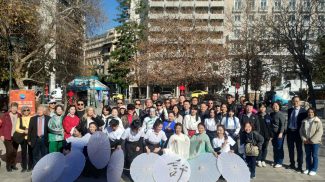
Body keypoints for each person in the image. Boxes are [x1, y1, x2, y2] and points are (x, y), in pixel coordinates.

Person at [300, 108, 323, 176]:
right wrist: (304, 139)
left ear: (314, 113)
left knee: (314, 155)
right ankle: (308, 168)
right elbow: (301, 131)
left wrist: (312, 140)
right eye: (309, 112)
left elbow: (320, 132)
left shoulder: (317, 121)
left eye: (312, 112)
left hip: (315, 142)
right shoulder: (304, 121)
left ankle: (314, 169)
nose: (310, 113)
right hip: (306, 141)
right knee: (307, 155)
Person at [287, 96, 307, 172]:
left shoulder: (304, 111)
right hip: (290, 132)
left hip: (298, 133)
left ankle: (299, 166)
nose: (296, 103)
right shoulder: (290, 110)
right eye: (294, 101)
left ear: (300, 102)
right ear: (292, 102)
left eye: (297, 101)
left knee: (299, 150)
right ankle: (292, 164)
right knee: (290, 149)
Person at [0, 102, 21, 172]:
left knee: (14, 151)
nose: (14, 109)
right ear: (10, 108)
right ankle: (8, 165)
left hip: (16, 136)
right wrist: (1, 135)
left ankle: (13, 165)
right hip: (7, 136)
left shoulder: (19, 115)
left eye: (15, 107)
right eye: (13, 107)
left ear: (17, 108)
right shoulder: (5, 115)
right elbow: (1, 126)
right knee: (9, 151)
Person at [14, 106, 32, 172]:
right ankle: (24, 167)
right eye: (24, 110)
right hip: (23, 138)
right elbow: (17, 128)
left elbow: (34, 127)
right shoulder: (20, 119)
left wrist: (29, 131)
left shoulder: (32, 118)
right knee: (23, 153)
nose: (26, 111)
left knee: (30, 153)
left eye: (27, 110)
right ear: (22, 111)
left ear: (29, 111)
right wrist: (24, 131)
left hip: (30, 138)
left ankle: (30, 166)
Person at [270, 101, 286, 168]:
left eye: (276, 106)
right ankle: (275, 161)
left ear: (279, 106)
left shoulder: (281, 114)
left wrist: (281, 133)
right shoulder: (272, 114)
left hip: (279, 134)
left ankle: (280, 162)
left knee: (279, 148)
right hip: (273, 134)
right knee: (275, 148)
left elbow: (283, 125)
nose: (275, 107)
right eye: (274, 106)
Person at [256, 102, 273, 168]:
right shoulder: (257, 116)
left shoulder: (268, 116)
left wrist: (271, 135)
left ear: (265, 108)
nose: (262, 108)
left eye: (263, 107)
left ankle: (263, 160)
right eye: (261, 107)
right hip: (259, 135)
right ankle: (259, 159)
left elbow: (270, 126)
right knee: (259, 148)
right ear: (259, 108)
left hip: (267, 135)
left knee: (265, 148)